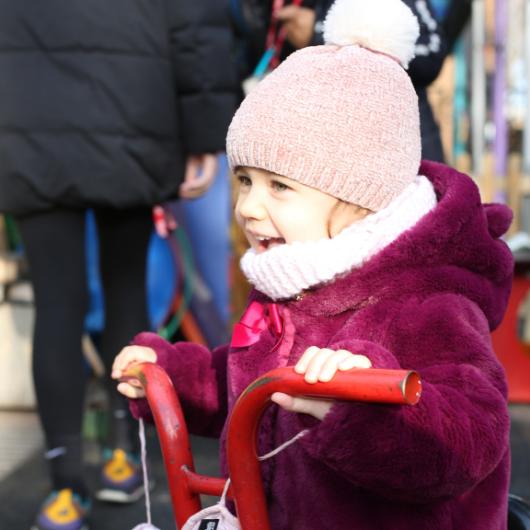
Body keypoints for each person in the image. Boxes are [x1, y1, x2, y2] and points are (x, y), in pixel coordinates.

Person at [112, 0, 513, 528]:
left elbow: (470, 439)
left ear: (363, 196)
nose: (249, 207)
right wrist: (173, 376)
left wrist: (362, 407)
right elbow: (245, 384)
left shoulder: (427, 301)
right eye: (246, 181)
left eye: (280, 186)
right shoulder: (293, 279)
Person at [0, 1, 237, 529]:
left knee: (56, 306)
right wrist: (203, 132)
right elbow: (195, 23)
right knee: (126, 291)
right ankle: (122, 458)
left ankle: (64, 490)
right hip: (131, 102)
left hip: (27, 109)